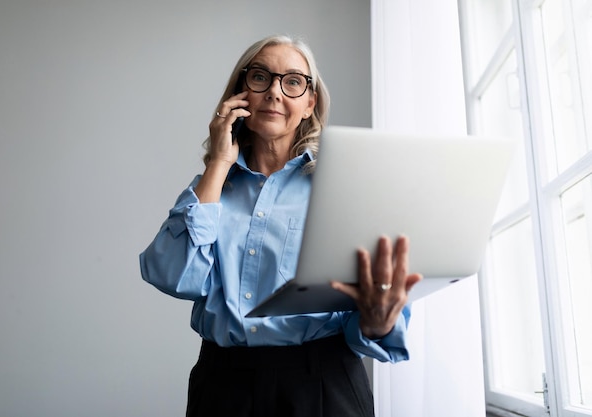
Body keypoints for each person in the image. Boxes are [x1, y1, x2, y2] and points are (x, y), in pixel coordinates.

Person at [139, 35, 422, 417]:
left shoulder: (344, 187)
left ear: (309, 104)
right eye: (261, 78)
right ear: (241, 95)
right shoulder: (210, 187)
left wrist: (377, 320)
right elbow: (173, 276)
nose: (275, 92)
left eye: (292, 82)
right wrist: (218, 163)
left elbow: (373, 314)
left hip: (322, 384)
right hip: (223, 386)